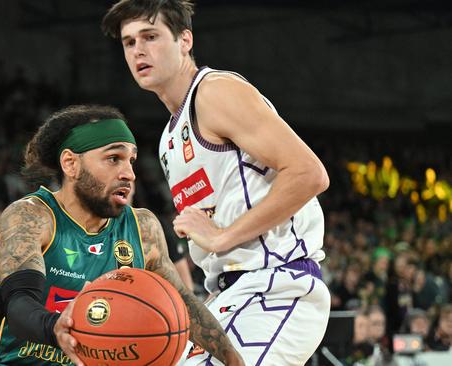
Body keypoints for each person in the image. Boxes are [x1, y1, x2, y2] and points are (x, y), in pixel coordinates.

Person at [103, 1, 331, 365]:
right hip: (230, 294)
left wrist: (223, 236)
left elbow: (309, 174)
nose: (138, 51)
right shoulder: (169, 139)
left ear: (185, 40)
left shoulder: (214, 92)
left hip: (275, 287)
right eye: (129, 43)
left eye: (150, 36)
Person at [0, 104, 243, 365]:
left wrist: (231, 358)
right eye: (113, 159)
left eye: (131, 160)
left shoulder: (143, 228)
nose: (128, 173)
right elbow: (19, 304)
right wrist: (54, 328)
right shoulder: (31, 217)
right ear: (71, 164)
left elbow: (183, 306)